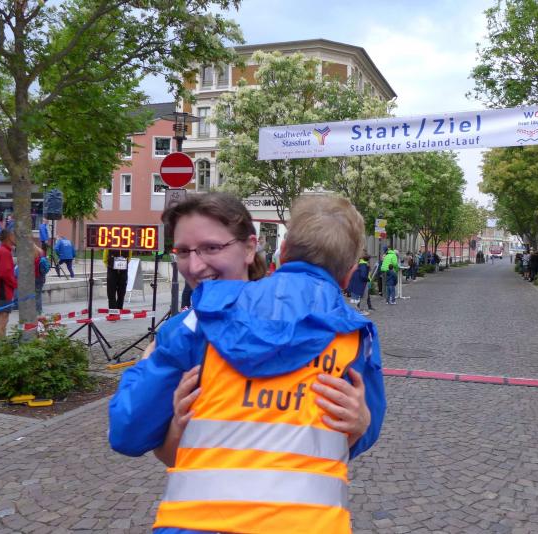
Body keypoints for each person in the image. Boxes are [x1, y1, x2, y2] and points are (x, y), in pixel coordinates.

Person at [109, 193, 385, 532]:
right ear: (349, 274)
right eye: (183, 251)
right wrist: (362, 423)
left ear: (282, 252)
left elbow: (128, 432)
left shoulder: (201, 319)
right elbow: (354, 436)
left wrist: (145, 363)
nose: (195, 265)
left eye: (211, 248)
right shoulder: (356, 337)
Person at [32, 240, 46, 315]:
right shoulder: (41, 254)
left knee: (35, 294)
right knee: (38, 294)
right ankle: (39, 310)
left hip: (34, 277)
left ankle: (38, 310)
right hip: (41, 277)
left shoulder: (31, 258)